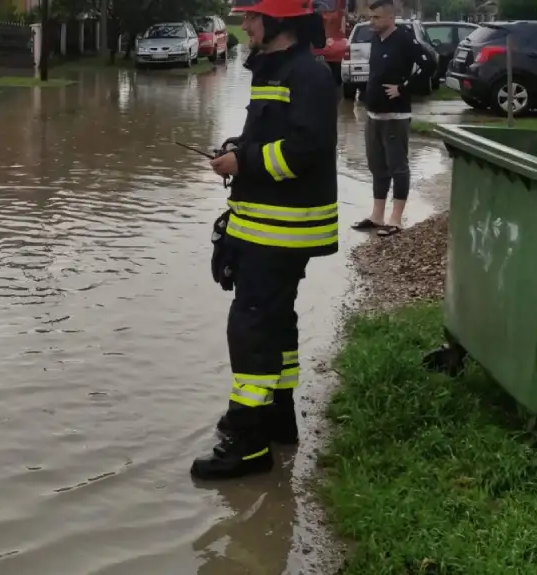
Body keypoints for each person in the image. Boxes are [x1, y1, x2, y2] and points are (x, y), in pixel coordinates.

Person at [194, 0, 339, 481]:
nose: (244, 24)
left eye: (252, 16)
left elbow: (305, 150)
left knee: (251, 326)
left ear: (278, 22)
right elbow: (269, 136)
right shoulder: (273, 71)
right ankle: (277, 417)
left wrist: (245, 164)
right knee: (275, 319)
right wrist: (238, 148)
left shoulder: (308, 76)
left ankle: (248, 442)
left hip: (282, 228)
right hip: (266, 225)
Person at [351, 0, 436, 237]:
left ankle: (396, 219)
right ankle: (377, 216)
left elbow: (429, 65)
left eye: (376, 18)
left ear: (390, 18)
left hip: (395, 115)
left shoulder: (405, 39)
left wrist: (404, 88)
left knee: (397, 166)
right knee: (377, 166)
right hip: (374, 114)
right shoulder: (376, 39)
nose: (371, 21)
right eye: (371, 17)